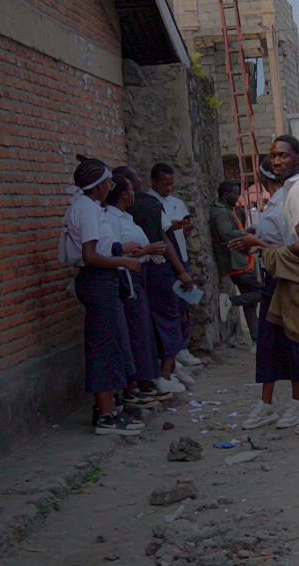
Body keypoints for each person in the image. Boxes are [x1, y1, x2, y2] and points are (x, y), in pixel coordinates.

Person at [230, 135, 299, 436]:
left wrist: (262, 246)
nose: (277, 161)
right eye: (273, 156)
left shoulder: (296, 193)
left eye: (283, 156)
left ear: (297, 158)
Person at [60, 156, 145, 435]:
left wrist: (121, 249)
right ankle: (106, 416)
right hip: (97, 281)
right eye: (108, 181)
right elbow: (90, 255)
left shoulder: (91, 207)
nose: (111, 185)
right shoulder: (86, 210)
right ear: (97, 186)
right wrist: (123, 262)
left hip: (102, 280)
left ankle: (110, 406)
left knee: (112, 343)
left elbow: (101, 247)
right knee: (102, 347)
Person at [118, 165, 193, 392]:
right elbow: (163, 241)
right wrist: (180, 270)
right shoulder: (148, 205)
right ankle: (164, 374)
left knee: (154, 320)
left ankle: (165, 369)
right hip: (154, 270)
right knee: (168, 318)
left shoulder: (126, 211)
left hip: (142, 272)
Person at [104, 174, 173, 409]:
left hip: (140, 275)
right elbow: (113, 252)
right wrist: (146, 250)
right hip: (128, 278)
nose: (135, 194)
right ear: (124, 194)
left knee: (143, 329)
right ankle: (132, 386)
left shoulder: (126, 217)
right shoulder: (111, 219)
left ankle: (146, 381)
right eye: (132, 190)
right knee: (134, 331)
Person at [147, 163, 202, 367]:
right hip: (162, 259)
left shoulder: (177, 202)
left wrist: (185, 227)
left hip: (181, 255)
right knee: (168, 305)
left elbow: (185, 230)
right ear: (154, 181)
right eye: (164, 184)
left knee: (183, 304)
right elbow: (159, 229)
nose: (168, 188)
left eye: (171, 184)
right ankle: (170, 352)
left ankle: (182, 347)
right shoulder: (149, 202)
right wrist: (171, 226)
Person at [211, 181, 263, 347]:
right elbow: (226, 235)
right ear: (226, 194)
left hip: (242, 261)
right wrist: (248, 232)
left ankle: (256, 339)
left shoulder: (229, 211)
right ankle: (229, 301)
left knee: (250, 302)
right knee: (265, 293)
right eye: (235, 193)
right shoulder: (220, 212)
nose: (238, 196)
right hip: (236, 263)